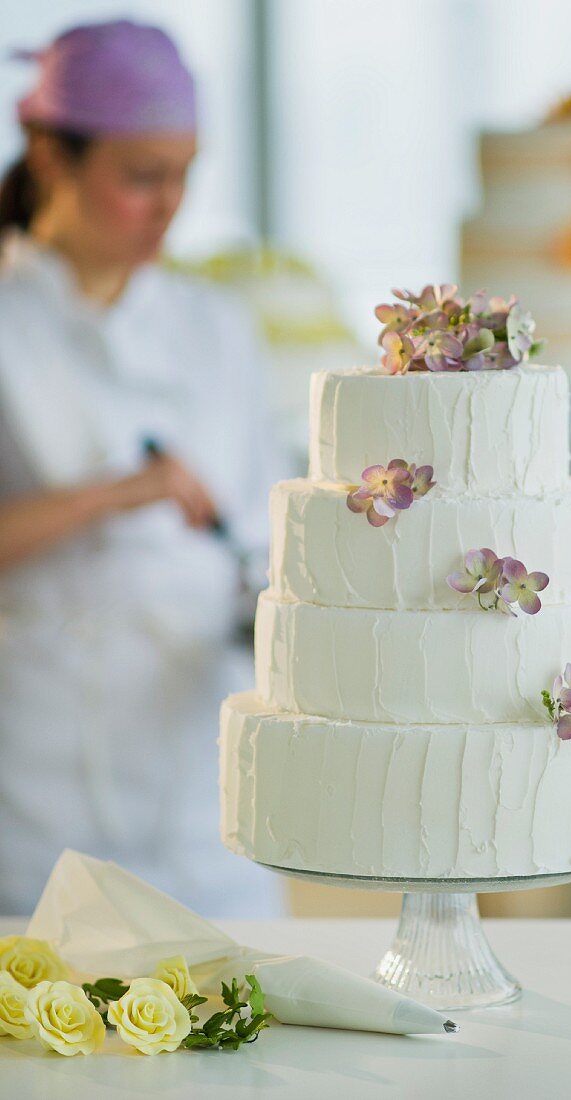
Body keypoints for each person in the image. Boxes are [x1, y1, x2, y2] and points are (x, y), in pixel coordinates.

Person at [0, 21, 284, 916]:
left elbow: (265, 532)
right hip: (36, 788)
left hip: (201, 783)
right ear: (49, 155)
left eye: (184, 173)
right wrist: (122, 492)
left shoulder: (216, 327)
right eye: (140, 177)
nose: (169, 205)